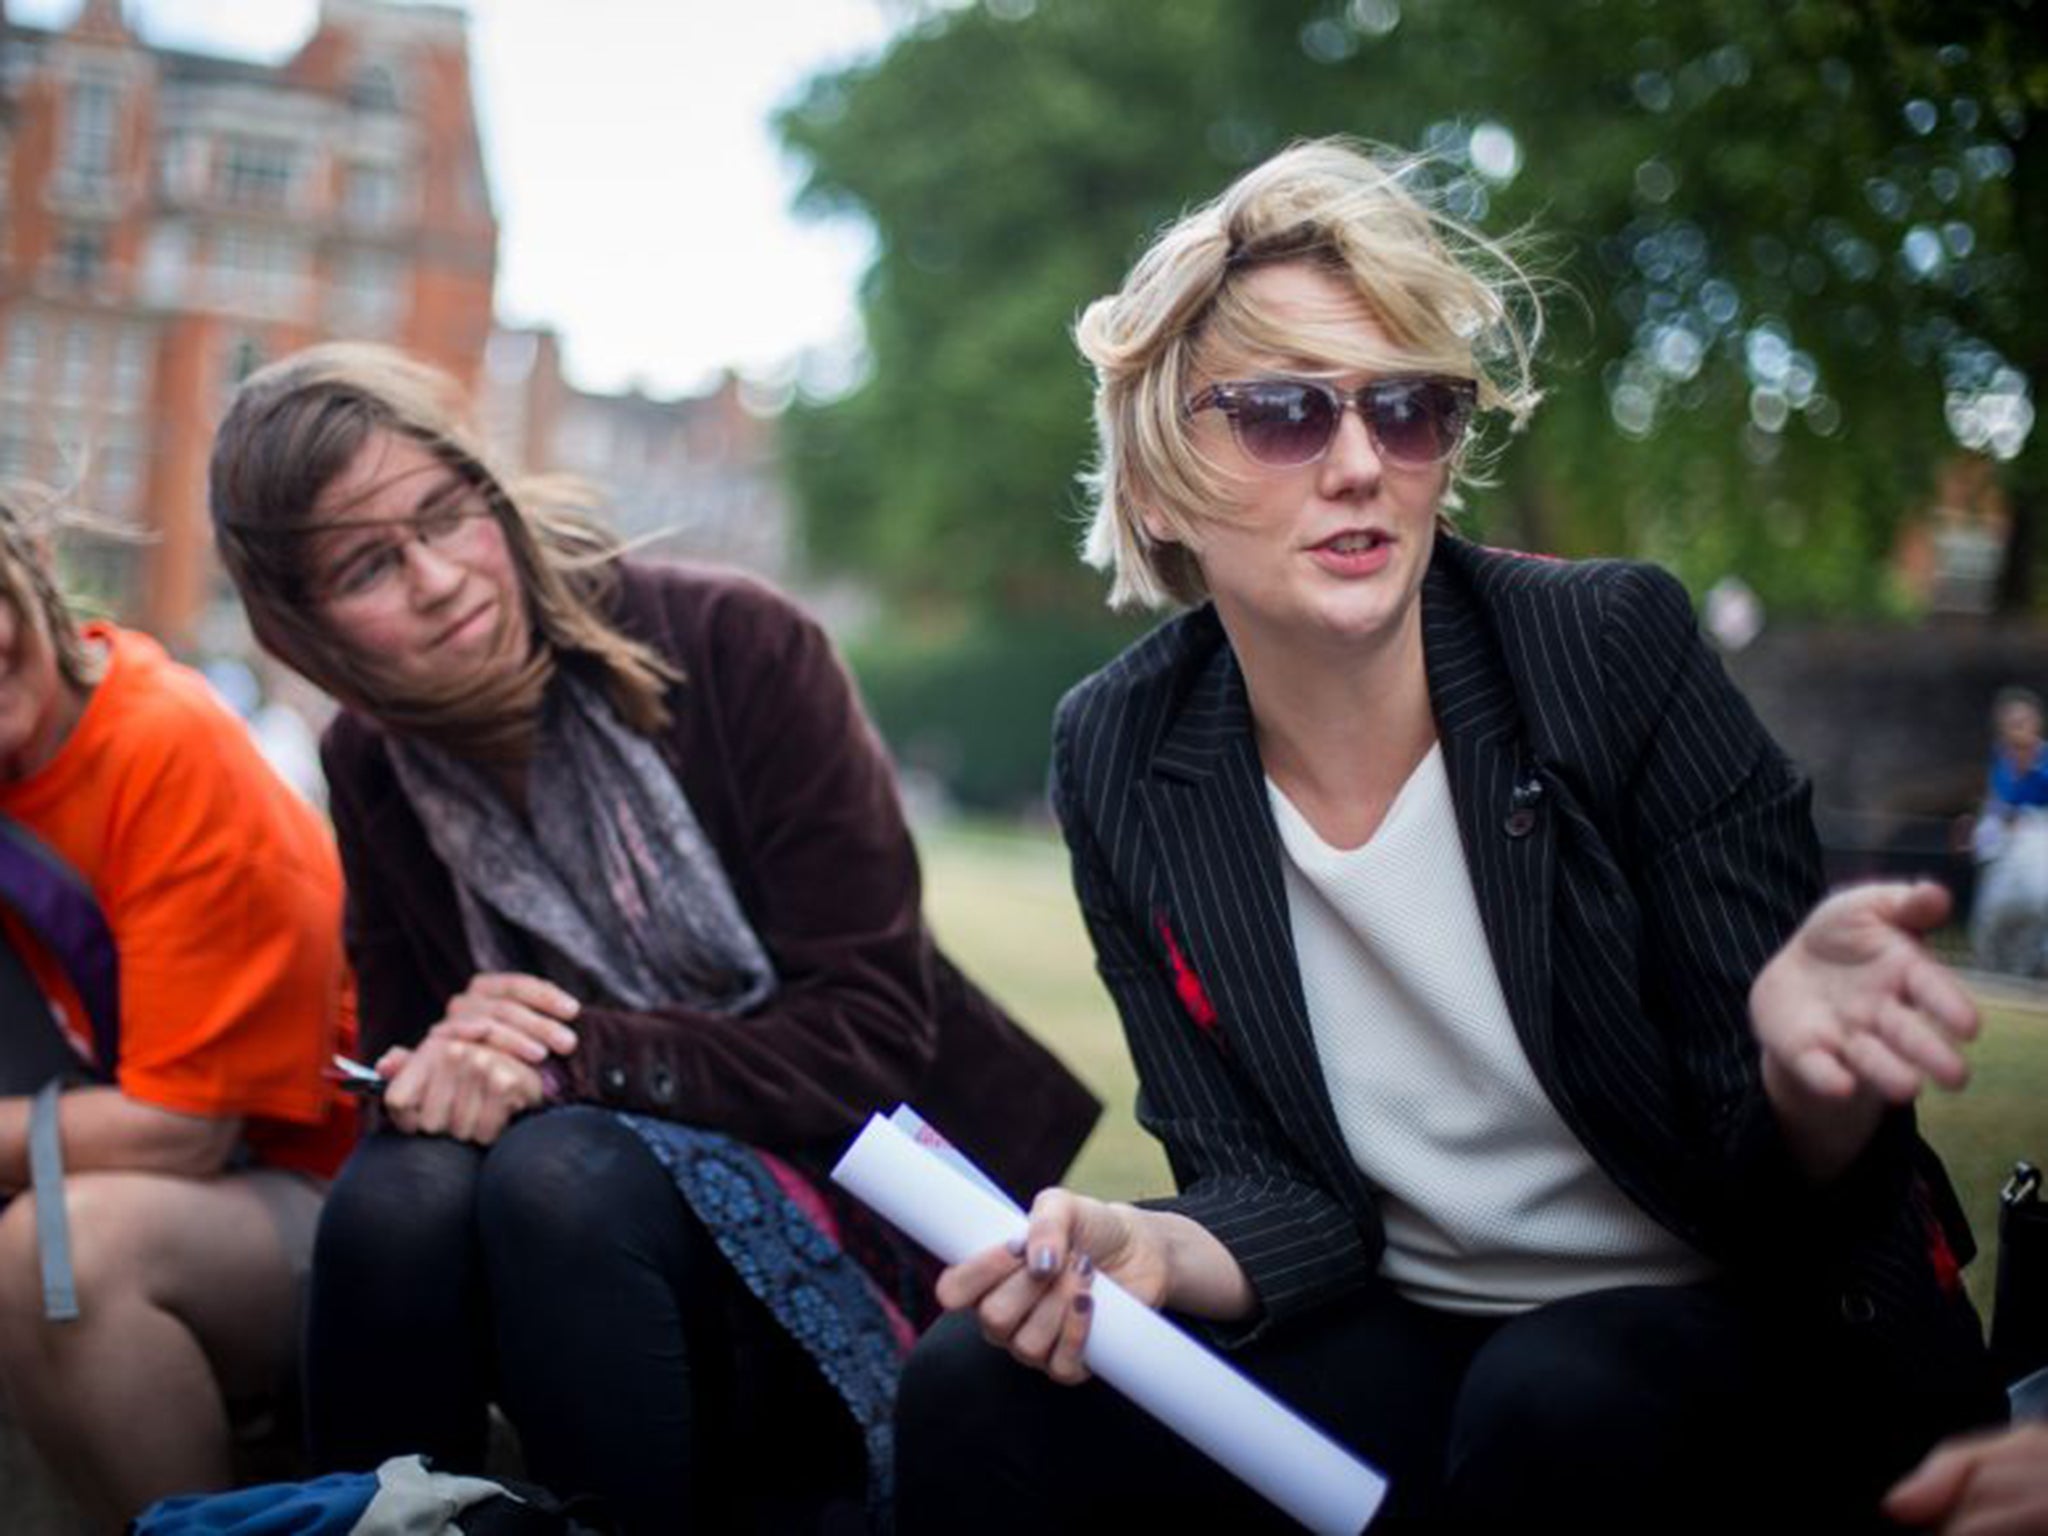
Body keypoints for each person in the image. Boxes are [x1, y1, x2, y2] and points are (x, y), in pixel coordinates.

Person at [894, 139, 2005, 1532]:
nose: (1361, 461)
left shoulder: (1610, 648)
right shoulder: (1119, 749)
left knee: (1552, 1401)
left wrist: (1810, 1081)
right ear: (1163, 477)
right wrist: (1150, 1247)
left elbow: (1792, 1198)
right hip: (1412, 1336)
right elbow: (1273, 1191)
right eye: (1288, 412)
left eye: (1408, 408)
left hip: (1746, 1321)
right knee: (968, 1392)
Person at [206, 343, 1099, 1534]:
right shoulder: (371, 759)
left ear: (489, 492)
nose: (433, 577)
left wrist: (567, 1057)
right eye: (370, 564)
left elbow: (871, 1030)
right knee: (393, 1198)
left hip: (848, 1181)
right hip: (578, 1231)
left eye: (443, 514)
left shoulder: (741, 647)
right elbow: (418, 1044)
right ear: (306, 627)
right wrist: (440, 1071)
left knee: (558, 1170)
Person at [0, 486, 357, 1527]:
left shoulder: (161, 744)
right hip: (152, 1146)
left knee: (60, 1256)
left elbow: (182, 1133)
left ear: (24, 569)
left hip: (319, 1178)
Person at [1971, 685, 2048, 974]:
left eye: (2022, 722)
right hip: (2007, 846)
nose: (2016, 730)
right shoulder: (2001, 758)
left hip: (2039, 843)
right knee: (1992, 914)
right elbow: (1997, 800)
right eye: (2010, 723)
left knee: (2038, 902)